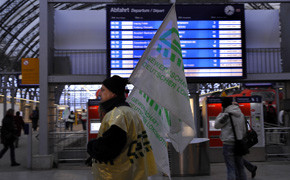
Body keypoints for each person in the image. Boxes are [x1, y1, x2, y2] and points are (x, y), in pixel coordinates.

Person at [87, 75, 157, 180]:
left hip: (117, 175)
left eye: (103, 90)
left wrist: (92, 146)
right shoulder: (129, 112)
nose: (99, 93)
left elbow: (109, 147)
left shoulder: (117, 114)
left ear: (113, 93)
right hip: (132, 172)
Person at [214, 97, 247, 180]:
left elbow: (216, 125)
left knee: (231, 168)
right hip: (239, 143)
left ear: (223, 105)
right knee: (240, 167)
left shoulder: (225, 115)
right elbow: (244, 129)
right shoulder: (241, 114)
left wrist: (221, 113)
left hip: (228, 144)